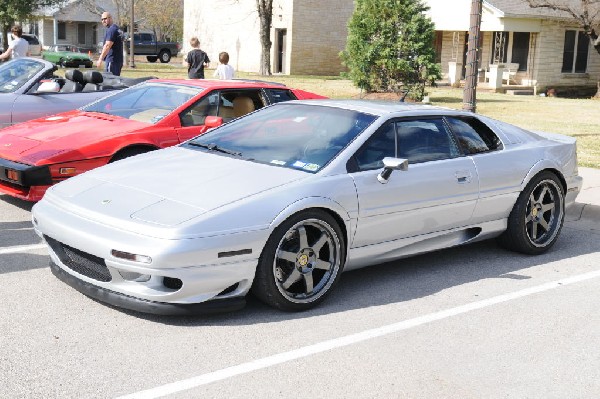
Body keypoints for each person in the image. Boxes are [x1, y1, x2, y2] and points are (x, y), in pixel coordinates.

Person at [96, 12, 124, 76]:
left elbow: (107, 45)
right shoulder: (117, 29)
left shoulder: (111, 30)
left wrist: (100, 59)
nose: (103, 21)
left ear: (110, 18)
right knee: (115, 81)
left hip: (112, 60)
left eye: (105, 19)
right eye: (102, 19)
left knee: (109, 81)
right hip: (118, 61)